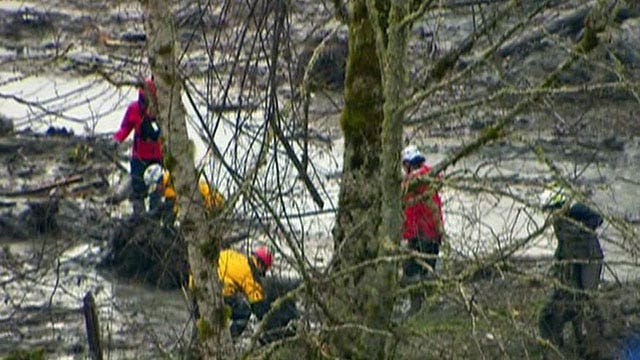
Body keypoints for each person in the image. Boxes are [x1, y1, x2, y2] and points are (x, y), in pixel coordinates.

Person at [538, 183, 605, 358]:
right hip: (571, 260)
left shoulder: (578, 211)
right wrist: (558, 263)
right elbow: (562, 244)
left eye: (552, 209)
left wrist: (582, 230)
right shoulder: (558, 220)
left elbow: (598, 219)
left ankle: (593, 339)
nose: (550, 214)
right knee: (565, 298)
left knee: (586, 297)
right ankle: (559, 341)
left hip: (590, 259)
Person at [401, 145, 445, 313]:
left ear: (408, 164)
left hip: (420, 233)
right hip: (432, 231)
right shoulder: (431, 176)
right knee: (427, 268)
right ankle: (426, 304)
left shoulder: (411, 181)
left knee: (413, 270)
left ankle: (418, 305)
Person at [113, 77, 163, 216]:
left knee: (157, 192)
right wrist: (116, 140)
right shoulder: (133, 109)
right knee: (138, 191)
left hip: (157, 158)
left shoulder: (163, 111)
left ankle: (154, 218)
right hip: (139, 158)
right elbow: (125, 129)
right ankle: (139, 219)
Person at [217, 245, 273, 338]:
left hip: (197, 282)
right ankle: (229, 342)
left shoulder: (235, 256)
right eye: (263, 270)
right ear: (260, 264)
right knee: (244, 313)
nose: (262, 274)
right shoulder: (251, 274)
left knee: (201, 321)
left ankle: (195, 347)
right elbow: (257, 305)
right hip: (221, 291)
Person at [143, 164, 225, 225]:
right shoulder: (168, 188)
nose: (155, 190)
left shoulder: (175, 180)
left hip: (211, 207)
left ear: (158, 181)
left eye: (154, 186)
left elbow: (183, 202)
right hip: (202, 208)